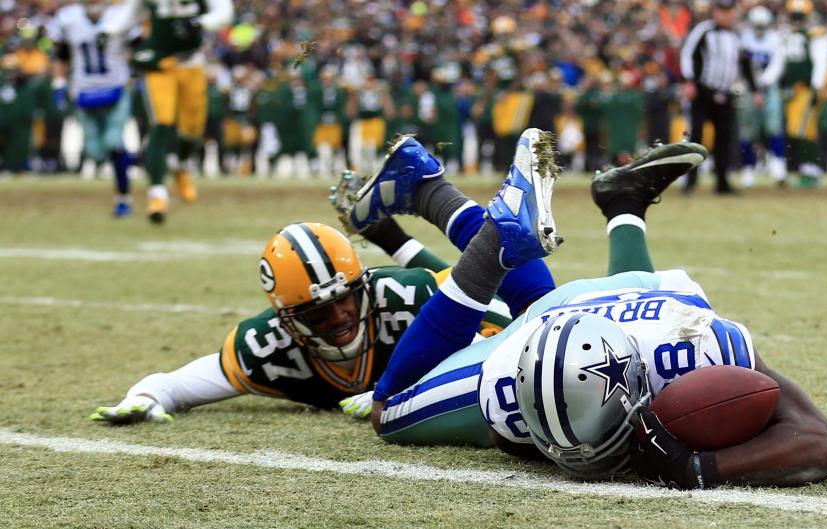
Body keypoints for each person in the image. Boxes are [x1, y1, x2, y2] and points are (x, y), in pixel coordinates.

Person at [336, 129, 827, 489]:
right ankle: (446, 197)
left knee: (390, 409)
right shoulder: (503, 389)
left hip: (656, 306)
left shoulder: (698, 351)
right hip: (555, 319)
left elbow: (824, 446)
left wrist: (697, 468)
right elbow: (817, 444)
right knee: (391, 409)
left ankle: (438, 195)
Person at [90, 142, 515, 424]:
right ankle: (411, 215)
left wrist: (406, 387)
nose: (339, 315)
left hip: (517, 313)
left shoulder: (401, 296)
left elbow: (501, 325)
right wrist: (145, 397)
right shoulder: (267, 345)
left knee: (502, 282)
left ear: (364, 287)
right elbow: (174, 384)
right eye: (317, 311)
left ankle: (433, 197)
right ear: (287, 321)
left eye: (345, 299)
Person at [102, 0, 234, 224]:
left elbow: (224, 12)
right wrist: (107, 31)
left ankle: (181, 166)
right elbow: (130, 14)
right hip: (160, 63)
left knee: (192, 129)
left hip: (192, 62)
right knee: (161, 123)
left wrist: (200, 22)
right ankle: (157, 195)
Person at [51, 0, 137, 217]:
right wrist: (59, 83)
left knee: (113, 142)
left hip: (116, 89)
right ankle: (129, 161)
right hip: (84, 92)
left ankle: (123, 196)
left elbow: (138, 47)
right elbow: (61, 55)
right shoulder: (67, 18)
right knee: (95, 153)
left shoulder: (122, 15)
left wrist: (136, 75)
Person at [680, 0, 756, 194]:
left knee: (725, 138)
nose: (726, 16)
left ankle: (722, 181)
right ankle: (690, 180)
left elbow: (745, 62)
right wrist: (688, 80)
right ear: (715, 12)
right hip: (703, 91)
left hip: (727, 92)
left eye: (729, 12)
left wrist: (755, 89)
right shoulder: (704, 31)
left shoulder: (737, 35)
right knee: (696, 136)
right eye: (723, 11)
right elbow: (688, 54)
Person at [780, 0, 827, 188]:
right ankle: (806, 169)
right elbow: (781, 63)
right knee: (798, 130)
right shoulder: (788, 34)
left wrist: (817, 86)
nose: (796, 19)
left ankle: (812, 171)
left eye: (799, 15)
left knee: (805, 130)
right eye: (794, 15)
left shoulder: (815, 34)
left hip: (808, 89)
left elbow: (821, 62)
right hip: (793, 92)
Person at [739, 4, 788, 188]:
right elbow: (742, 64)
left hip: (769, 89)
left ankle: (778, 167)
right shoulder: (744, 38)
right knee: (748, 130)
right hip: (748, 89)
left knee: (773, 128)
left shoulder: (775, 39)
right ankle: (748, 169)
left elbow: (778, 64)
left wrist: (763, 84)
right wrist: (754, 89)